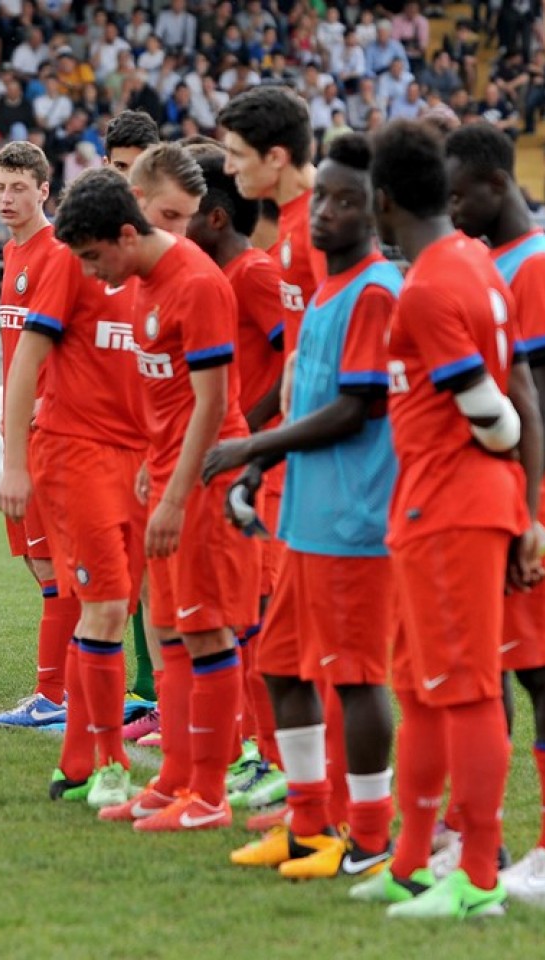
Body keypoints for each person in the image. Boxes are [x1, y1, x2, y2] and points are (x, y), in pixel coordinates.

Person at [350, 119, 544, 919]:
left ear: (384, 199)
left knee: (460, 692)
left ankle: (478, 880)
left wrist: (499, 487)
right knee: (424, 691)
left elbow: (495, 414)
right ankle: (410, 860)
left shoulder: (429, 285)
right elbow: (519, 393)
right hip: (450, 506)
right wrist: (521, 507)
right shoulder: (476, 262)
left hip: (449, 508)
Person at [207, 134, 401, 879]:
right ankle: (311, 824)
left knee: (355, 677)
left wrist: (252, 449)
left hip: (355, 519)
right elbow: (307, 397)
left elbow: (357, 408)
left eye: (346, 201)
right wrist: (265, 475)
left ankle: (371, 833)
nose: (326, 212)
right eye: (322, 197)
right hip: (304, 517)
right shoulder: (325, 292)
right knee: (283, 668)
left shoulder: (377, 291)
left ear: (376, 210)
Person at [60, 156, 257, 831]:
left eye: (93, 257)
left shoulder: (195, 283)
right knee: (169, 630)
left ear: (125, 231)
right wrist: (151, 456)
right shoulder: (143, 281)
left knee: (203, 632)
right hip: (166, 471)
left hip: (200, 481)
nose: (91, 274)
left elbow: (215, 402)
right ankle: (174, 780)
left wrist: (174, 493)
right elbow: (163, 392)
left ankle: (209, 795)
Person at [445, 122, 545, 897]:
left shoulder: (537, 268)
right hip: (498, 483)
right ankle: (480, 836)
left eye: (460, 192)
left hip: (536, 487)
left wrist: (527, 515)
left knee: (539, 663)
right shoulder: (495, 259)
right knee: (488, 663)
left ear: (498, 186)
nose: (452, 206)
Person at [0, 161, 149, 805]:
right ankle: (103, 759)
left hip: (144, 460)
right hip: (77, 457)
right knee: (105, 606)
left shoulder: (173, 271)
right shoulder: (67, 262)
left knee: (124, 609)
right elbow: (28, 356)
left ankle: (90, 757)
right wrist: (14, 461)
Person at [218, 83, 333, 834]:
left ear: (277, 157)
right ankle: (309, 804)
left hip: (327, 466)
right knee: (288, 641)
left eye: (234, 156)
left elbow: (337, 362)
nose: (228, 171)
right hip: (290, 460)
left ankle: (349, 812)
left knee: (327, 652)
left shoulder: (316, 234)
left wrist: (258, 444)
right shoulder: (287, 233)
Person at [180, 142, 287, 813]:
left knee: (260, 617)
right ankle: (249, 747)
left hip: (253, 466)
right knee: (232, 615)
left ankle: (273, 756)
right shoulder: (211, 279)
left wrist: (245, 426)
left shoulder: (254, 275)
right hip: (222, 464)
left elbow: (296, 357)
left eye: (186, 210)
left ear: (214, 216)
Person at [0, 141, 74, 731]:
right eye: (0, 187)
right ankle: (60, 691)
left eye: (19, 187)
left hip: (51, 436)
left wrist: (45, 407)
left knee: (56, 572)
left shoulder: (56, 255)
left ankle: (55, 694)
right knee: (40, 569)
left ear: (44, 190)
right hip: (21, 432)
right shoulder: (11, 251)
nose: (7, 197)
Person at [102, 108, 162, 719]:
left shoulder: (170, 246)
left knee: (156, 571)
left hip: (158, 433)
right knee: (114, 571)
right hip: (106, 435)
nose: (129, 182)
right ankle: (142, 686)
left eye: (137, 169)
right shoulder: (95, 243)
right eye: (119, 168)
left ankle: (155, 687)